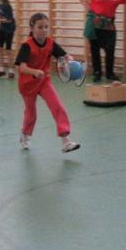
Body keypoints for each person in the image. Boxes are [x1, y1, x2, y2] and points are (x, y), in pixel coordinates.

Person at [15, 13, 80, 153]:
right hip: (27, 84)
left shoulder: (50, 43)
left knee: (58, 107)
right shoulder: (27, 45)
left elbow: (63, 55)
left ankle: (66, 140)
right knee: (31, 115)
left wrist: (69, 58)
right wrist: (34, 72)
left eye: (46, 27)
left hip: (44, 81)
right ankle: (25, 134)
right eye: (40, 27)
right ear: (32, 28)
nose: (44, 30)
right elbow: (22, 67)